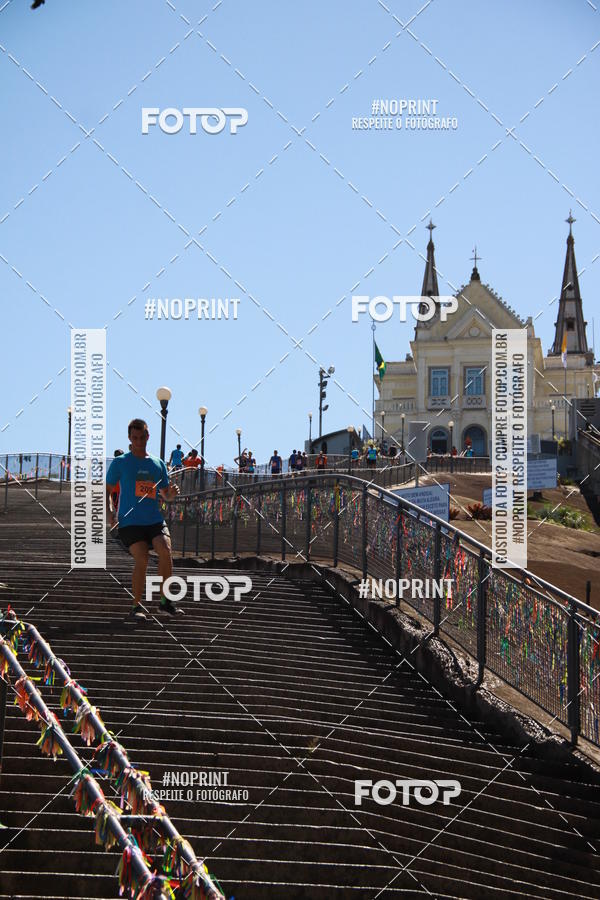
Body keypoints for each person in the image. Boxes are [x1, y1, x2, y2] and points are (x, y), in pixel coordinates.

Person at [106, 418, 181, 619]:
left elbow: (165, 494)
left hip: (153, 519)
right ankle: (136, 606)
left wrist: (171, 494)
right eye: (135, 438)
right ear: (130, 438)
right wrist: (109, 512)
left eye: (142, 437)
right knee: (143, 558)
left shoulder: (157, 464)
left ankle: (165, 602)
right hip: (130, 522)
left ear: (148, 437)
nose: (139, 441)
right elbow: (106, 490)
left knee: (165, 551)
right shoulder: (121, 463)